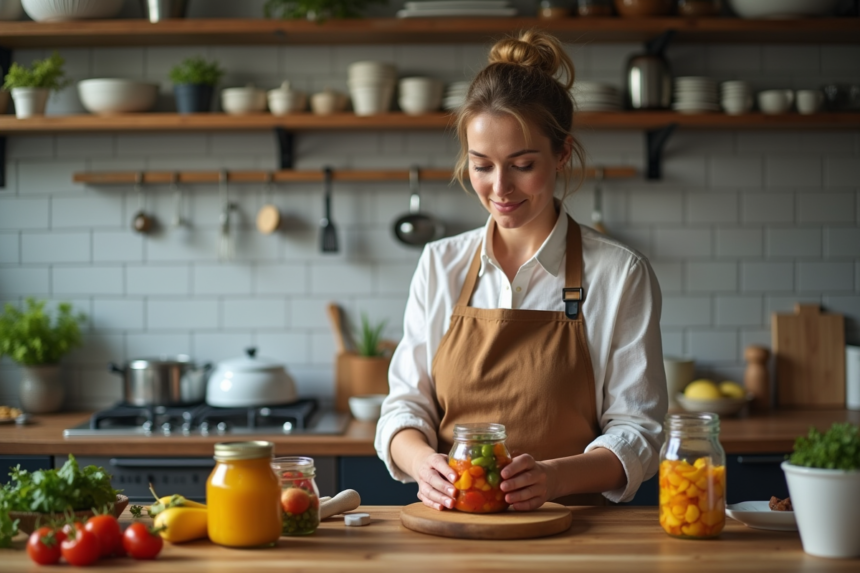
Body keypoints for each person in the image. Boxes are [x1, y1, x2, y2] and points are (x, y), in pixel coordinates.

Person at [374, 29, 667, 511]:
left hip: (572, 531)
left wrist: (552, 479)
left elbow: (638, 432)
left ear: (562, 153)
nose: (500, 188)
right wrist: (421, 461)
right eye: (481, 165)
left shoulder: (620, 274)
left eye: (523, 164)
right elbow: (406, 405)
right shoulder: (440, 264)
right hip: (457, 529)